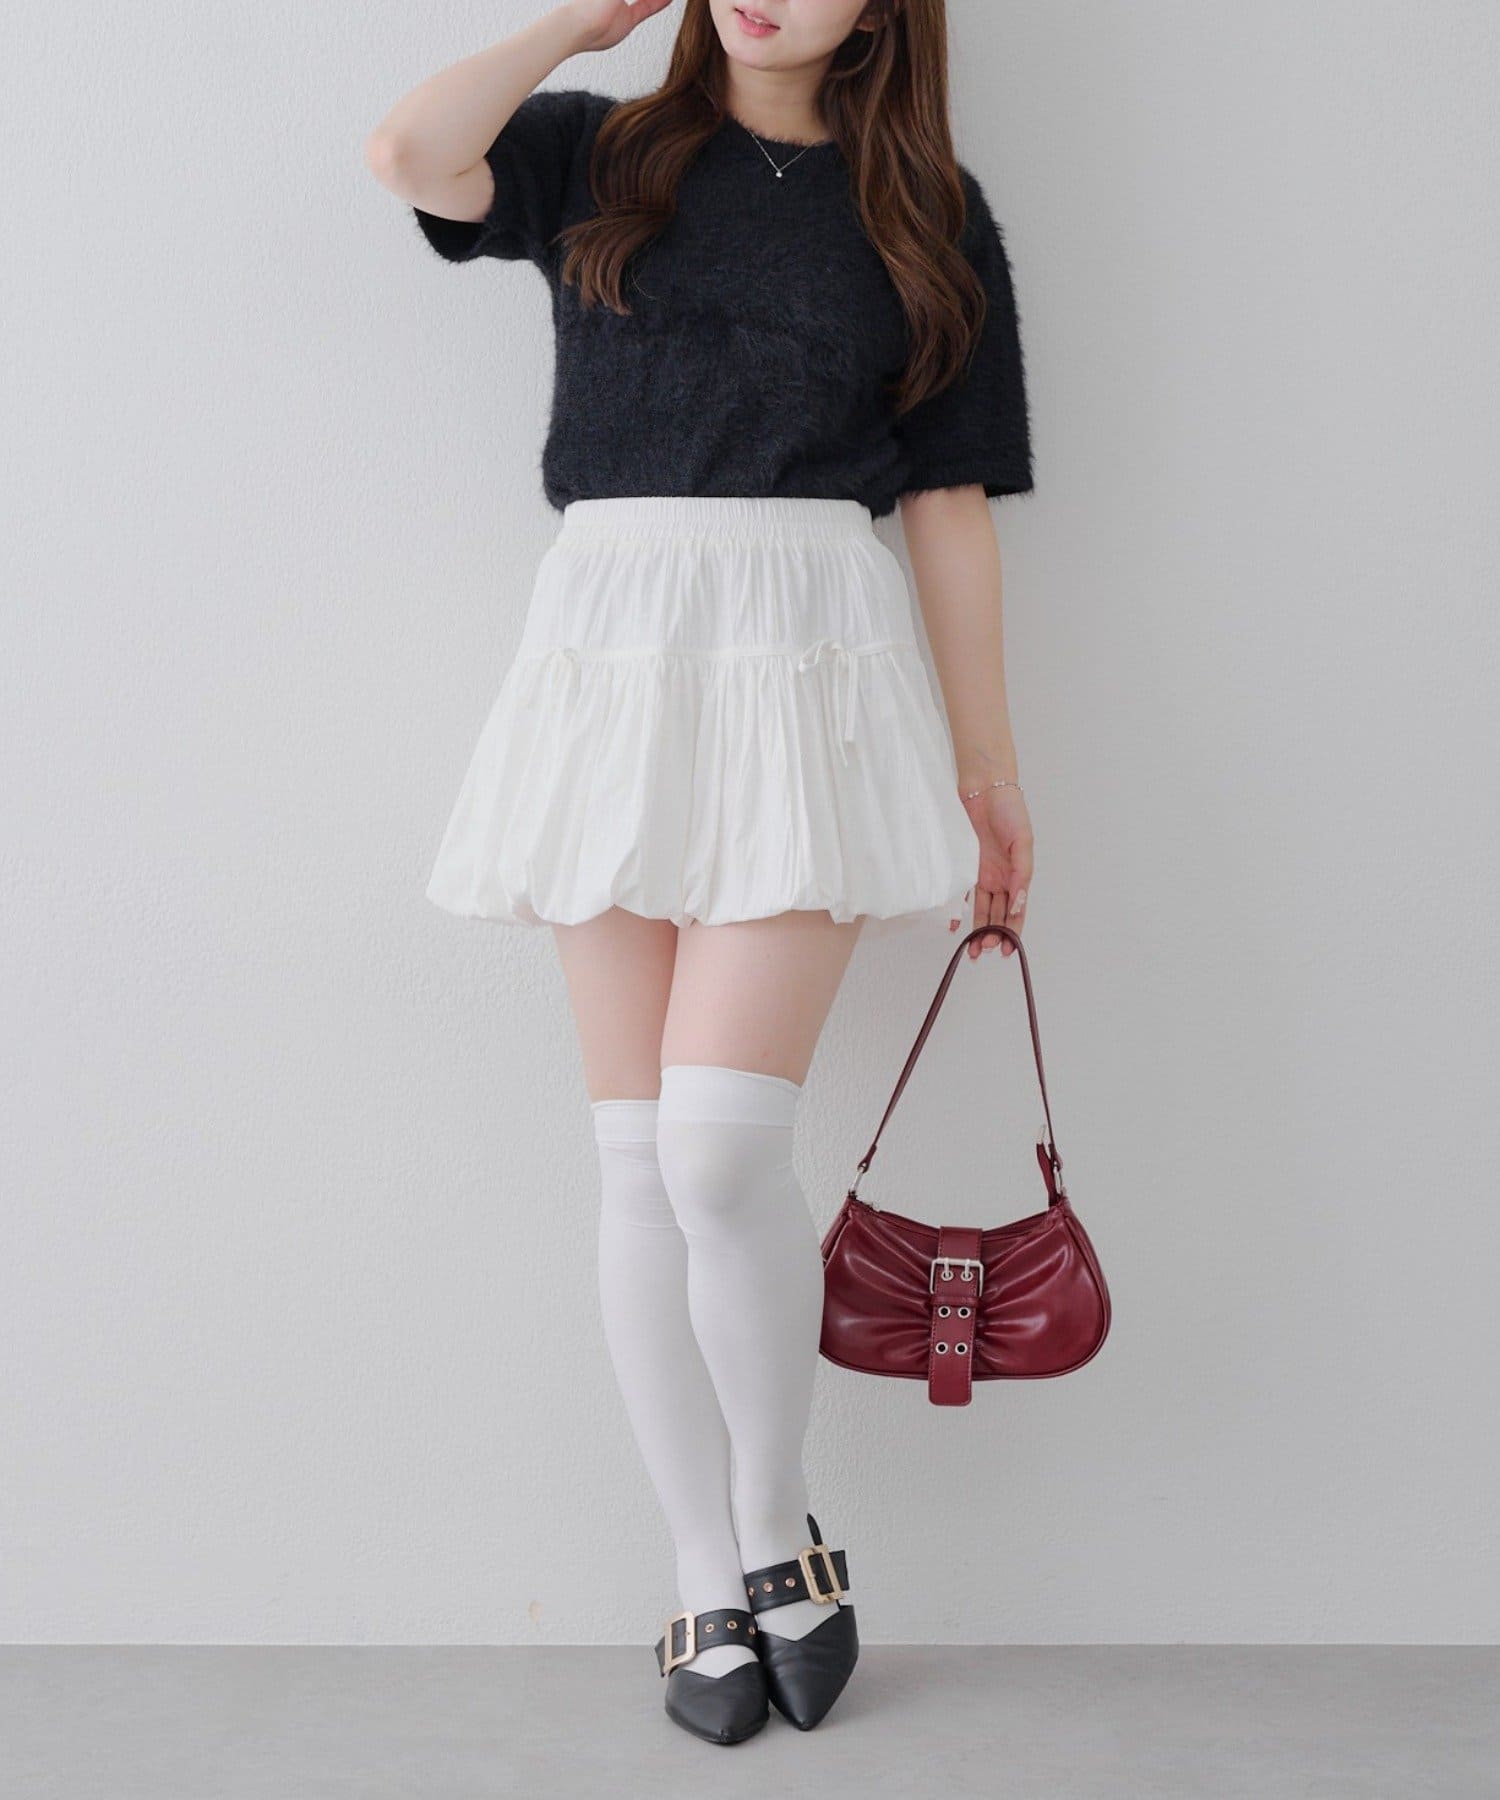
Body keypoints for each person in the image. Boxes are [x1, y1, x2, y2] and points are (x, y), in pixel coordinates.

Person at [365, 0, 1035, 1747]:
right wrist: (582, 19)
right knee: (635, 1160)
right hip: (612, 663)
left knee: (719, 1145)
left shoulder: (925, 210)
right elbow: (409, 153)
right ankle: (698, 1565)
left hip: (809, 667)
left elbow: (950, 497)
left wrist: (987, 763)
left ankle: (771, 1513)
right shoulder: (598, 148)